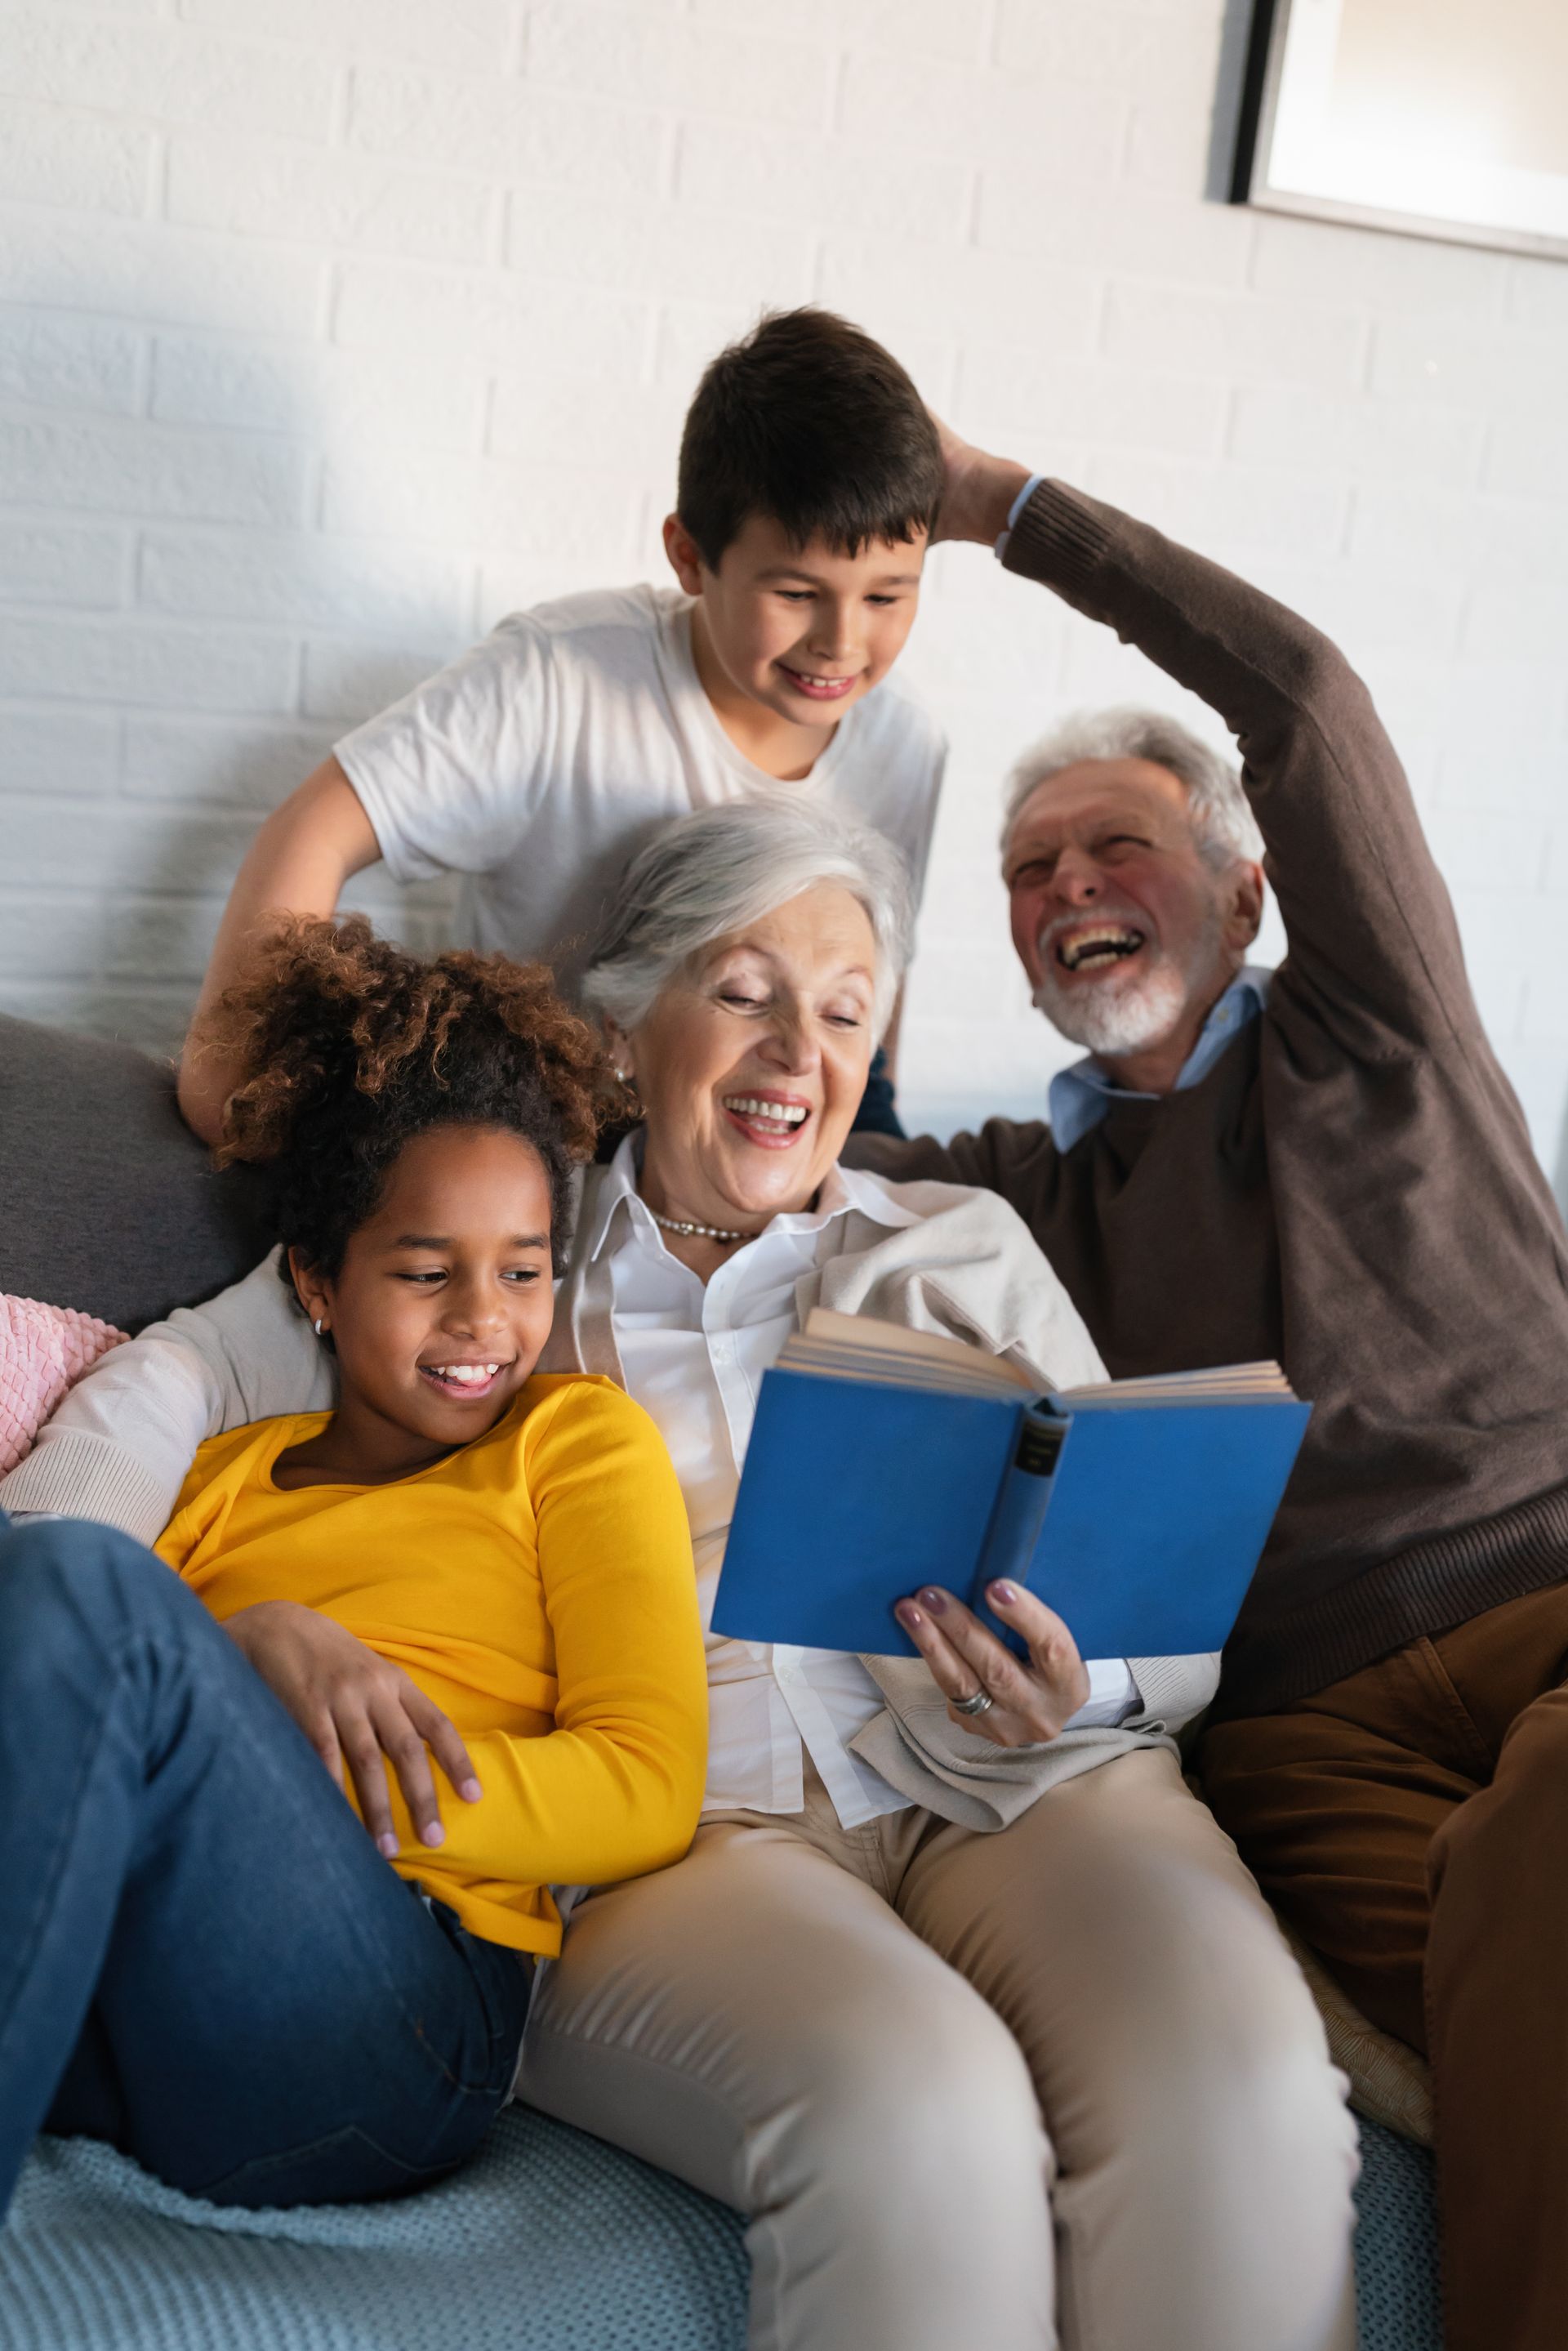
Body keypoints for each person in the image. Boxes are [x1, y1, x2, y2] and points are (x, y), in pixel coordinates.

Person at [3, 801, 1359, 2351]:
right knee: (915, 2118)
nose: (800, 1049)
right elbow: (178, 1381)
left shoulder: (959, 1242)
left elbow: (1155, 1590)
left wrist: (1087, 1672)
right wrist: (84, 1589)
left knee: (1243, 2091)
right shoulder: (503, 1243)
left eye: (846, 1010)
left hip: (1028, 1780)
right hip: (690, 1846)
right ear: (628, 1019)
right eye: (743, 988)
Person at [848, 430, 1568, 2351]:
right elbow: (793, 1131)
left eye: (1115, 847)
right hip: (1296, 1726)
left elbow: (1306, 702)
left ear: (1241, 891)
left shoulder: (1374, 1026)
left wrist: (1009, 512)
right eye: (1027, 873)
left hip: (1543, 1599)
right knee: (1526, 1958)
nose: (1066, 885)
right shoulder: (1018, 1197)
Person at [0, 931, 706, 2219]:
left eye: (525, 1269)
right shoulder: (221, 1474)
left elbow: (647, 1783)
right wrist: (250, 1649)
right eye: (426, 1272)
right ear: (318, 1285)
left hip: (399, 2017)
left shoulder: (577, 1440)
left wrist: (326, 1759)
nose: (484, 1320)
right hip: (151, 1994)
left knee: (72, 1583)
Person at [176, 306, 947, 1148]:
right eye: (796, 594)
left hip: (753, 1161)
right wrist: (236, 1084)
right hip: (540, 1148)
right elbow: (316, 828)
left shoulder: (907, 750)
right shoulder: (559, 676)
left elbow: (871, 1000)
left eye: (887, 595)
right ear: (689, 556)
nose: (842, 641)